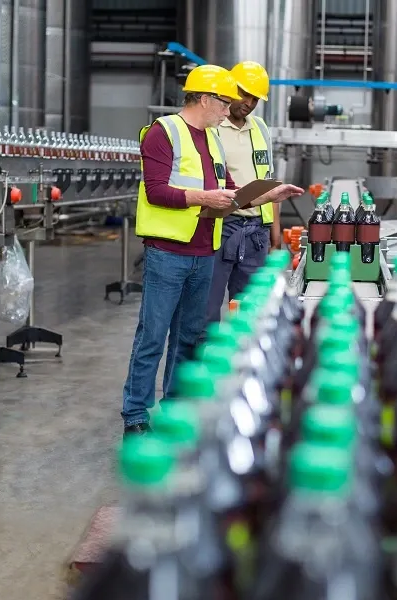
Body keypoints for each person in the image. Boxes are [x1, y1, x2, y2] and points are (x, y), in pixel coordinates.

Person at [122, 64, 303, 435]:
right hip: (168, 252)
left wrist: (270, 194)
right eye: (223, 103)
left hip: (205, 249)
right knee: (153, 336)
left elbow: (233, 192)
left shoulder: (212, 138)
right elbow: (155, 190)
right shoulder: (163, 133)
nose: (228, 110)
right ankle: (136, 415)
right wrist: (202, 196)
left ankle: (176, 406)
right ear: (204, 99)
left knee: (189, 335)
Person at [205, 61, 287, 325]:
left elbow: (269, 183)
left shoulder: (260, 128)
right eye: (245, 94)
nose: (249, 103)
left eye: (255, 99)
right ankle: (209, 361)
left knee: (248, 307)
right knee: (209, 305)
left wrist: (276, 235)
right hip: (222, 226)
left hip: (256, 233)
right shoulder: (212, 126)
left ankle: (241, 361)